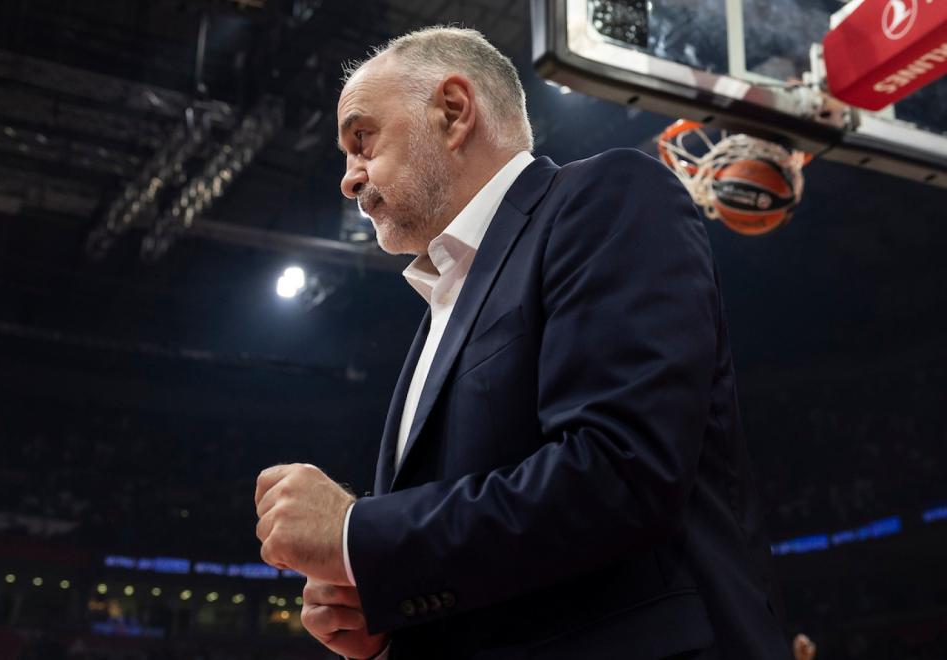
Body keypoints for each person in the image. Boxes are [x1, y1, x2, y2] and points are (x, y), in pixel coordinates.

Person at [254, 26, 792, 660]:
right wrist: (388, 615)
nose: (349, 179)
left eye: (362, 139)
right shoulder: (441, 312)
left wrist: (356, 535)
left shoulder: (608, 194)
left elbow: (618, 473)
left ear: (453, 111)